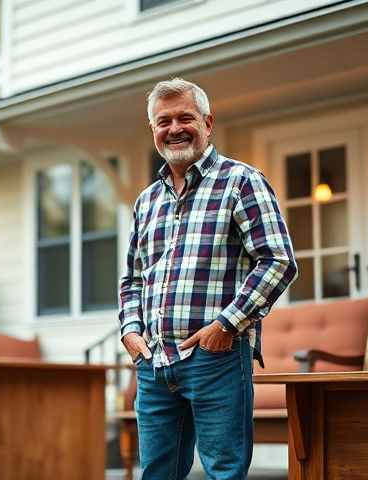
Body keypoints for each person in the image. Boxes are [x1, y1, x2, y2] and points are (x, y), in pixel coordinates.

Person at [118, 78, 298, 480]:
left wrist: (226, 325)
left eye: (186, 117)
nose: (175, 128)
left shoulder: (241, 181)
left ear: (208, 122)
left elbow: (278, 261)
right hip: (154, 362)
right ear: (153, 129)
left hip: (216, 358)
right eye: (164, 121)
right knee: (156, 474)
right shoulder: (147, 201)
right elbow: (132, 278)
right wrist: (132, 332)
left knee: (223, 473)